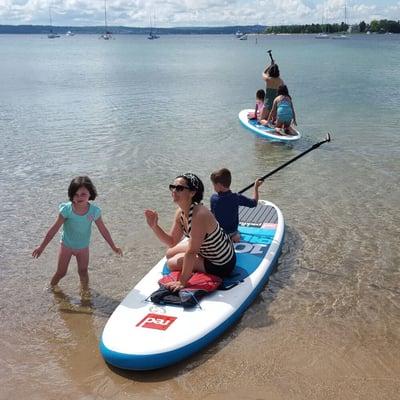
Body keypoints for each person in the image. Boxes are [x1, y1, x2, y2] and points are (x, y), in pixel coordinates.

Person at [144, 173, 236, 292]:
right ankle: (196, 264)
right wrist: (154, 226)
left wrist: (182, 282)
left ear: (192, 192)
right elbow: (172, 241)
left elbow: (192, 252)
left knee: (171, 264)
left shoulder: (199, 214)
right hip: (206, 251)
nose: (174, 191)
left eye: (179, 188)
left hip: (220, 263)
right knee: (169, 253)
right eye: (173, 187)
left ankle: (197, 269)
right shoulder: (180, 212)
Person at [32, 176, 123, 290]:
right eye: (76, 194)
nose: (79, 197)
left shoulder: (94, 212)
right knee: (61, 272)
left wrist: (113, 246)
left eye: (83, 194)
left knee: (83, 272)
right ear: (71, 195)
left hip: (83, 247)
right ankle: (51, 288)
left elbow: (103, 230)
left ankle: (85, 293)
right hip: (67, 246)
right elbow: (54, 229)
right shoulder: (67, 210)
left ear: (90, 194)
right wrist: (42, 246)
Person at [210, 168, 263, 243]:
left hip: (218, 234)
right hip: (232, 232)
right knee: (236, 235)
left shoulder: (213, 198)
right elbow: (254, 203)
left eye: (213, 185)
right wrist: (256, 187)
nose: (213, 187)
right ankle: (233, 237)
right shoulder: (236, 197)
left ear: (218, 185)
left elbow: (213, 217)